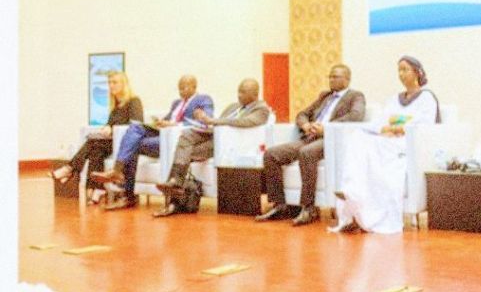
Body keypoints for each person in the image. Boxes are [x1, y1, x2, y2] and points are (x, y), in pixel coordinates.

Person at [329, 56, 440, 235]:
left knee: (376, 149)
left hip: (406, 144)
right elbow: (379, 122)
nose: (401, 74)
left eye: (405, 69)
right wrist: (385, 129)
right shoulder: (394, 100)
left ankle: (357, 197)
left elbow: (424, 126)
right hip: (387, 138)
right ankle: (352, 192)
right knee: (357, 136)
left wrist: (397, 129)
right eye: (399, 70)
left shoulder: (427, 98)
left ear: (417, 72)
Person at [257, 64, 366, 226]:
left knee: (306, 153)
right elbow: (302, 114)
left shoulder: (355, 96)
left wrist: (326, 128)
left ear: (347, 79)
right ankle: (280, 205)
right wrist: (306, 125)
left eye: (335, 76)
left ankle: (309, 208)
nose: (331, 79)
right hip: (309, 136)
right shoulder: (325, 96)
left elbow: (356, 116)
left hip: (330, 140)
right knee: (271, 154)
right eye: (330, 76)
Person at [151, 78, 271, 217]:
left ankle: (173, 201)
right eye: (238, 91)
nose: (239, 95)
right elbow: (216, 123)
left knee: (183, 152)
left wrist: (212, 121)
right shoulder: (233, 106)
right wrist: (203, 119)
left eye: (243, 92)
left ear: (255, 94)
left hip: (229, 145)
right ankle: (175, 182)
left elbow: (245, 121)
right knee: (186, 136)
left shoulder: (261, 109)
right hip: (214, 136)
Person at [91, 75, 214, 210]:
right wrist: (160, 122)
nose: (181, 92)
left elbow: (205, 122)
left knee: (133, 144)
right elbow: (168, 119)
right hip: (161, 135)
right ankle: (119, 175)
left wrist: (174, 125)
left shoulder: (204, 99)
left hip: (177, 139)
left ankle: (125, 191)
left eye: (184, 88)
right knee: (135, 129)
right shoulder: (176, 103)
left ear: (194, 87)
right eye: (179, 89)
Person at [49, 71, 143, 205]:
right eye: (109, 83)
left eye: (114, 82)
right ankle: (95, 191)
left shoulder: (134, 101)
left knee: (92, 143)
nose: (111, 85)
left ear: (124, 84)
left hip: (124, 143)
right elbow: (110, 124)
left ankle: (70, 169)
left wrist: (113, 129)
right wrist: (106, 128)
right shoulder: (115, 106)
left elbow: (137, 125)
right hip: (110, 142)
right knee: (95, 150)